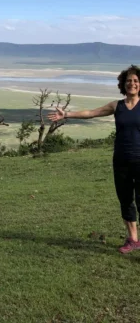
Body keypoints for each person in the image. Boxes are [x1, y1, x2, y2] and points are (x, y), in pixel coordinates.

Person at [48, 65, 140, 254]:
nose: (132, 83)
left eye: (136, 81)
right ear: (123, 84)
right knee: (125, 200)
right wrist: (67, 114)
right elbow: (91, 113)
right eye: (129, 80)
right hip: (121, 160)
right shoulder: (117, 106)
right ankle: (133, 240)